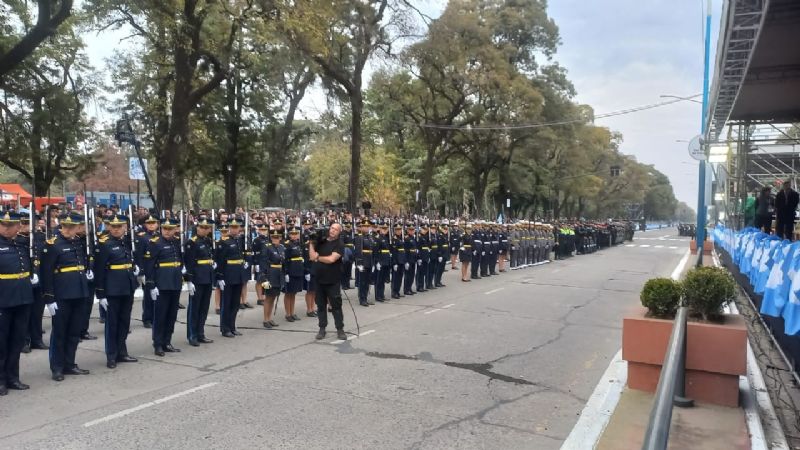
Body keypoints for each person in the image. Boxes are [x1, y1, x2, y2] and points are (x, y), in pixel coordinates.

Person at [41, 212, 92, 381]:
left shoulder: (79, 242)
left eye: (72, 227)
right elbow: (46, 273)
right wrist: (49, 298)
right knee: (60, 332)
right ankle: (57, 367)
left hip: (79, 292)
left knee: (74, 332)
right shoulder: (53, 244)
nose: (68, 230)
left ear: (78, 227)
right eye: (65, 226)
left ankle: (69, 364)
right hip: (62, 294)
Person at [93, 214, 139, 369]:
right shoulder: (104, 244)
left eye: (119, 226)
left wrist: (134, 268)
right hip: (112, 289)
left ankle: (122, 352)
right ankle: (111, 355)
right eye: (113, 226)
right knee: (112, 324)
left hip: (127, 286)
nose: (116, 229)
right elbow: (99, 270)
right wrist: (101, 294)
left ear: (125, 227)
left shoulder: (127, 242)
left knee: (124, 322)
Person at [0, 211, 36, 395]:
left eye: (11, 225)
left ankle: (13, 377)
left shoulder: (22, 244)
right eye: (3, 225)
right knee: (1, 342)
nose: (7, 228)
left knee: (17, 341)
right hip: (3, 300)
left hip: (22, 298)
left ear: (18, 226)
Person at [143, 217, 183, 356]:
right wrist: (152, 285)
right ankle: (158, 344)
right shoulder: (155, 243)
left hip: (175, 282)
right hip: (162, 284)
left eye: (170, 229)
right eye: (165, 229)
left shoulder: (177, 242)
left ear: (175, 229)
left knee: (172, 315)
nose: (167, 231)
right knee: (160, 316)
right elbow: (149, 266)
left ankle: (167, 341)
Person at [308, 223, 347, 341]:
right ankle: (322, 328)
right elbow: (311, 257)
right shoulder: (321, 241)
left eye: (336, 229)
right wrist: (311, 243)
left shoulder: (339, 244)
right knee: (320, 305)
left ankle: (340, 329)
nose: (333, 231)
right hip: (319, 279)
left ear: (339, 232)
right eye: (332, 228)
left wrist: (318, 257)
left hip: (332, 280)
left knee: (336, 306)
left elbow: (331, 259)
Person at [183, 218, 215, 346]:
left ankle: (200, 333)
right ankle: (192, 335)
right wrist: (189, 281)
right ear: (197, 228)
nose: (204, 230)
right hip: (197, 278)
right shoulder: (192, 242)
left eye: (207, 228)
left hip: (207, 277)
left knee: (204, 308)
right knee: (194, 308)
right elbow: (189, 263)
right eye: (202, 227)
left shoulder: (208, 241)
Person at [214, 216, 248, 337]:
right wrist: (220, 277)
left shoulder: (239, 240)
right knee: (226, 303)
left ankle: (232, 326)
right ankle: (225, 328)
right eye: (232, 227)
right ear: (229, 228)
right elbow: (219, 260)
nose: (234, 229)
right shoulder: (223, 241)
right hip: (228, 275)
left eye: (236, 227)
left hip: (238, 275)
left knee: (235, 303)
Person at [259, 229, 284, 329]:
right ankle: (265, 319)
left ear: (280, 238)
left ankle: (269, 318)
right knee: (268, 297)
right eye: (273, 237)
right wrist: (263, 277)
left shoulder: (281, 247)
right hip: (269, 275)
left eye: (277, 237)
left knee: (273, 297)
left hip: (278, 275)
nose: (275, 239)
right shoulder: (267, 247)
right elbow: (263, 262)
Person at [282, 228, 304, 322]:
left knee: (294, 292)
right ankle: (288, 314)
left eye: (296, 234)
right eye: (292, 234)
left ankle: (292, 312)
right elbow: (285, 259)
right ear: (289, 235)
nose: (294, 235)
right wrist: (286, 272)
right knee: (288, 293)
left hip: (297, 270)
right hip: (290, 270)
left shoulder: (298, 244)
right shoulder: (287, 244)